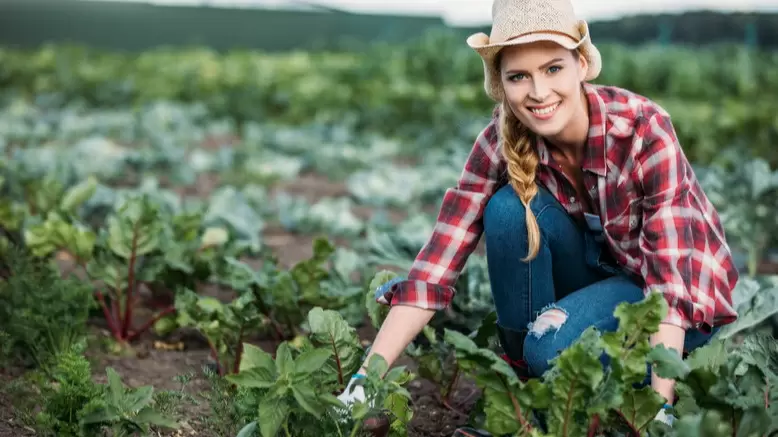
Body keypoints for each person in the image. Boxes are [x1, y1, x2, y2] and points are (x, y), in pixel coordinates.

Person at [337, 0, 740, 434]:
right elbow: (438, 262)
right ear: (501, 84)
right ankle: (525, 403)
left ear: (581, 64)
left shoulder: (643, 131)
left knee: (550, 351)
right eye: (518, 76)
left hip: (676, 316)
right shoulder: (499, 139)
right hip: (605, 283)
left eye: (552, 69)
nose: (538, 93)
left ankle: (575, 383)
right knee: (509, 210)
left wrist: (658, 410)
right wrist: (364, 379)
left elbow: (669, 285)